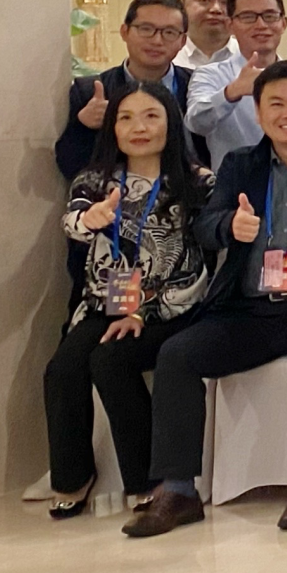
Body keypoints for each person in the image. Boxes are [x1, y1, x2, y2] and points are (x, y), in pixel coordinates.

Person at [123, 61, 287, 537]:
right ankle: (178, 490)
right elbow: (205, 225)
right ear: (258, 113)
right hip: (247, 308)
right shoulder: (240, 165)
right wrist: (229, 226)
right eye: (276, 104)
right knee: (176, 355)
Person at [44, 85, 211, 518]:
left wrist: (142, 311)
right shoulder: (94, 181)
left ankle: (148, 480)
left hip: (174, 307)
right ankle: (72, 477)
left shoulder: (197, 182)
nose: (139, 127)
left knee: (111, 361)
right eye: (126, 117)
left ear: (171, 122)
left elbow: (203, 256)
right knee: (62, 369)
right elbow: (73, 221)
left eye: (151, 116)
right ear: (112, 128)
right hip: (107, 306)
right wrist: (91, 218)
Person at [61, 0, 200, 179]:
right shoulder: (91, 90)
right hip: (115, 194)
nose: (157, 40)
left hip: (188, 192)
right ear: (124, 32)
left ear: (182, 41)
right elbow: (69, 167)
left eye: (169, 32)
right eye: (146, 29)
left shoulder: (198, 86)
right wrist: (83, 126)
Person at [187, 0, 287, 161]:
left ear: (283, 23)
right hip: (234, 176)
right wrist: (232, 92)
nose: (261, 25)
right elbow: (196, 123)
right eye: (248, 17)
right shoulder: (210, 74)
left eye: (269, 16)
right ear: (230, 25)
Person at [175, 0, 238, 69]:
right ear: (183, 6)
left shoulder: (250, 56)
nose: (216, 9)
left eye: (225, 2)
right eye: (205, 0)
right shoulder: (167, 56)